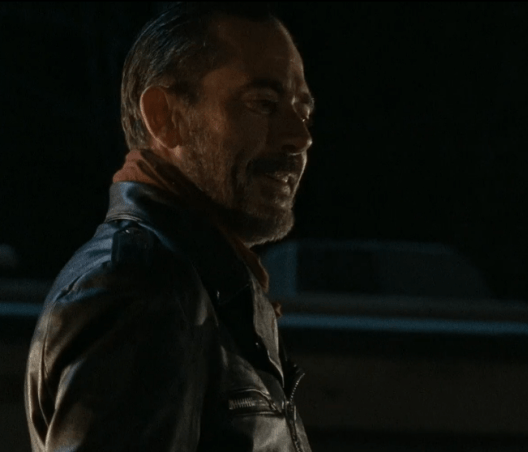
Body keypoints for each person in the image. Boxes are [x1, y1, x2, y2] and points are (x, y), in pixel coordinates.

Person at [24, 3, 314, 451]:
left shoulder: (186, 285)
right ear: (164, 117)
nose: (300, 137)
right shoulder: (143, 288)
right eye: (263, 104)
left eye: (303, 111)